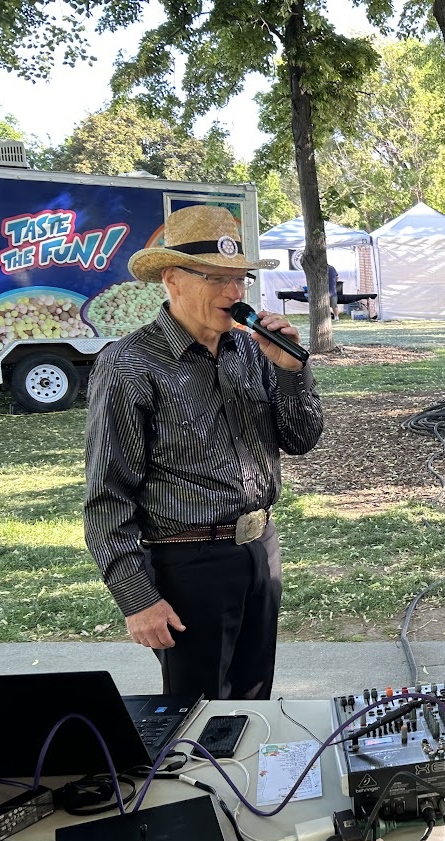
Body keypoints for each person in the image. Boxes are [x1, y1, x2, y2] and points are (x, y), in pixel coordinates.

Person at [84, 205, 325, 701]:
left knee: (255, 700)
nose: (235, 294)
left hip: (260, 547)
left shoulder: (252, 349)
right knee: (198, 716)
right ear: (172, 279)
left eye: (241, 280)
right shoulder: (130, 365)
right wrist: (138, 598)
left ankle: (251, 779)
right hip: (186, 563)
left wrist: (289, 370)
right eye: (217, 278)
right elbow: (108, 495)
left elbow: (302, 439)